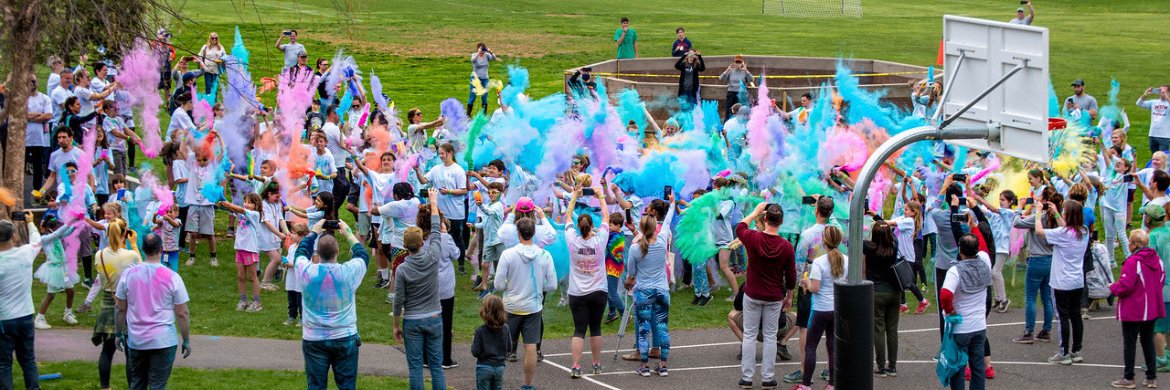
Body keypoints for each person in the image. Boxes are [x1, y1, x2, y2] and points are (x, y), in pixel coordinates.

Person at [292, 217, 369, 390]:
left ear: (317, 253)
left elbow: (300, 252)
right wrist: (348, 233)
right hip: (345, 335)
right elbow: (362, 254)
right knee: (347, 386)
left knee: (316, 386)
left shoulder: (307, 271)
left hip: (314, 338)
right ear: (338, 251)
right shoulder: (348, 272)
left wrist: (314, 232)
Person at [0, 212, 71, 390]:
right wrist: (30, 223)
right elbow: (37, 240)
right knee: (28, 361)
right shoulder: (25, 253)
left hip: (3, 319)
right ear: (14, 236)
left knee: (4, 364)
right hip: (25, 316)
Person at [114, 233, 191, 390]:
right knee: (157, 385)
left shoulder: (129, 274)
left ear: (142, 249)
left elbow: (120, 308)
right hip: (163, 340)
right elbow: (182, 313)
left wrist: (118, 333)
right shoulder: (172, 277)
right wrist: (186, 340)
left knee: (137, 383)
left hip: (137, 340)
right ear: (161, 249)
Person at [736, 203, 796, 389]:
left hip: (753, 293)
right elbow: (791, 275)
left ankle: (747, 377)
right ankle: (768, 378)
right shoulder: (786, 246)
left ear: (764, 219)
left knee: (750, 335)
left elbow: (740, 227)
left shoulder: (753, 238)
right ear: (781, 222)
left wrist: (754, 212)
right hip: (773, 296)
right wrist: (790, 296)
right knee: (770, 337)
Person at [494, 218, 557, 390]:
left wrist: (510, 285)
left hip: (511, 306)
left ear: (518, 233)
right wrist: (537, 286)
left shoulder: (508, 254)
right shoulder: (545, 255)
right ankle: (528, 385)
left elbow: (498, 284)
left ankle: (495, 382)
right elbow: (552, 285)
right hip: (533, 307)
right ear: (534, 233)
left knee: (501, 346)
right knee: (530, 347)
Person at [393, 189, 446, 390]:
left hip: (413, 321)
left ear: (405, 246)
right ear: (422, 242)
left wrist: (396, 324)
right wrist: (433, 202)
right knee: (436, 367)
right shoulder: (433, 256)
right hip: (434, 317)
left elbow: (399, 299)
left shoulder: (403, 269)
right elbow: (435, 229)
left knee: (415, 367)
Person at [1034, 197, 1090, 365]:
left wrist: (1038, 213)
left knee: (1063, 317)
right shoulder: (1084, 231)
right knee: (1076, 316)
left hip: (1061, 282)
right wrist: (1057, 213)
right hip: (1077, 281)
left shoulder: (1062, 234)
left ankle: (1063, 352)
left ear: (1069, 215)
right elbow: (1066, 227)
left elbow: (1039, 231)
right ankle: (1076, 350)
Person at [564, 184, 611, 378]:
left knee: (579, 330)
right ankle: (596, 364)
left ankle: (575, 366)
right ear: (592, 226)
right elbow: (607, 218)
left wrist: (574, 196)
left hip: (577, 292)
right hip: (599, 290)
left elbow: (567, 217)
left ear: (579, 227)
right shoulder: (600, 239)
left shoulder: (572, 240)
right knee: (596, 328)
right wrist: (600, 196)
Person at [88, 220, 142, 390]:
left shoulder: (100, 255)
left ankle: (105, 387)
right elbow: (142, 269)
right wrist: (134, 245)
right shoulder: (130, 255)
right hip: (126, 305)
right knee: (130, 353)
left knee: (107, 350)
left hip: (106, 303)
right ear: (124, 234)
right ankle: (132, 386)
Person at [1110, 229, 1165, 389]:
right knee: (1148, 341)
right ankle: (1151, 377)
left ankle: (1129, 377)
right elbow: (1161, 279)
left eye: (1129, 241)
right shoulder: (1157, 260)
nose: (1128, 243)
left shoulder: (1133, 261)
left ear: (1134, 244)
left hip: (1134, 308)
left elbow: (1125, 286)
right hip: (1151, 308)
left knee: (1130, 343)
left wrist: (1113, 287)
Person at [795, 225, 848, 390]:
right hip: (837, 308)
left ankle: (806, 383)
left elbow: (815, 288)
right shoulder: (846, 260)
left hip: (820, 309)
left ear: (824, 241)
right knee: (832, 345)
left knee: (811, 346)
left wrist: (806, 283)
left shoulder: (819, 262)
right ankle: (832, 383)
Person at [940, 234, 993, 390]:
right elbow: (982, 244)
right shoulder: (985, 264)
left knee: (958, 368)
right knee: (978, 367)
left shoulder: (955, 271)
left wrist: (950, 311)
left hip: (961, 328)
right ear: (977, 249)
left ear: (959, 248)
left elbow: (945, 294)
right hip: (979, 326)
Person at [627, 213, 675, 378]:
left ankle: (645, 366)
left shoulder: (635, 248)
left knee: (643, 329)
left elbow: (631, 272)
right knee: (662, 328)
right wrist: (673, 204)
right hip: (662, 290)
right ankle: (663, 366)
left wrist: (629, 281)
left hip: (643, 292)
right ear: (655, 228)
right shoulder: (662, 242)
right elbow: (668, 221)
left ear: (641, 228)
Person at [416, 143, 470, 273]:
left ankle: (461, 264)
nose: (440, 156)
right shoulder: (436, 169)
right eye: (439, 153)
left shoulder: (458, 170)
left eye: (442, 153)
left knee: (457, 237)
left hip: (455, 212)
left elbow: (464, 190)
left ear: (450, 153)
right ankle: (439, 260)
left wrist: (449, 191)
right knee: (437, 236)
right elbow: (424, 181)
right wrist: (417, 170)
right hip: (439, 211)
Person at [866, 219, 903, 378]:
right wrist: (880, 220)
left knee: (878, 329)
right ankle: (892, 366)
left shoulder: (868, 247)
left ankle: (881, 366)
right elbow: (893, 234)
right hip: (894, 292)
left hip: (877, 292)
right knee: (892, 330)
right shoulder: (893, 247)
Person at [472, 295, 511, 390]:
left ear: (484, 312)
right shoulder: (506, 328)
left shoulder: (480, 331)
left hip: (484, 367)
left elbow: (475, 352)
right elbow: (509, 348)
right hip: (500, 368)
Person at [25, 75, 53, 192]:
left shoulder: (44, 98)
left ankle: (37, 192)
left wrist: (30, 116)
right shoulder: (23, 99)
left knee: (38, 168)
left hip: (40, 139)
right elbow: (21, 115)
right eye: (29, 81)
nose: (32, 83)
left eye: (34, 81)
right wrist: (39, 114)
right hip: (24, 139)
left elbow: (48, 115)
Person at [720, 55, 755, 121]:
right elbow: (721, 78)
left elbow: (752, 79)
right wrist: (727, 70)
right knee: (729, 110)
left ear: (742, 63)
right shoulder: (731, 71)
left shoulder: (744, 71)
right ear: (734, 63)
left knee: (742, 111)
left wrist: (746, 70)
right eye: (736, 62)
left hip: (741, 94)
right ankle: (727, 125)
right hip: (731, 92)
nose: (738, 64)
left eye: (739, 62)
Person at [1137, 85, 1170, 153]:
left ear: (1168, 93)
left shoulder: (1168, 103)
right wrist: (1145, 94)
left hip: (1164, 136)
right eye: (1160, 91)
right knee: (1154, 157)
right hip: (1152, 134)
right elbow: (1139, 103)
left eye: (1163, 91)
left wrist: (1167, 98)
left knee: (1163, 158)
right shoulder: (1154, 102)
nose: (1161, 93)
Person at [468, 43, 497, 114]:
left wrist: (490, 51)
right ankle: (468, 114)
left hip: (485, 78)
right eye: (481, 49)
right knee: (472, 96)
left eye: (484, 49)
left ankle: (484, 114)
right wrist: (478, 53)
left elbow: (494, 58)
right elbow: (473, 60)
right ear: (478, 49)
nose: (482, 51)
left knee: (484, 96)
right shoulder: (474, 55)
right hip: (475, 78)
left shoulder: (487, 56)